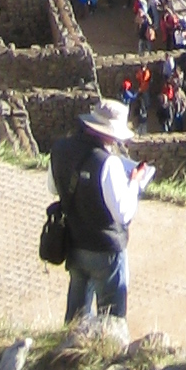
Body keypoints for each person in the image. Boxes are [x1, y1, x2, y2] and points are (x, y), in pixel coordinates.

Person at [49, 97, 153, 338]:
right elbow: (123, 212)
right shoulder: (109, 163)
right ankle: (107, 355)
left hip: (74, 243)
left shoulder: (60, 149)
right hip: (105, 250)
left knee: (76, 314)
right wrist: (134, 184)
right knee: (111, 319)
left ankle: (68, 352)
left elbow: (54, 188)